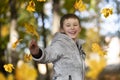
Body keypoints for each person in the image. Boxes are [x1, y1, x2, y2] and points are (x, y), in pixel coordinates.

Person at [29, 13, 86, 80]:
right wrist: (38, 53)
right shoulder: (60, 44)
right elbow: (48, 54)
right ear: (62, 29)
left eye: (75, 25)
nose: (72, 28)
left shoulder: (79, 48)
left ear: (79, 29)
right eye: (68, 25)